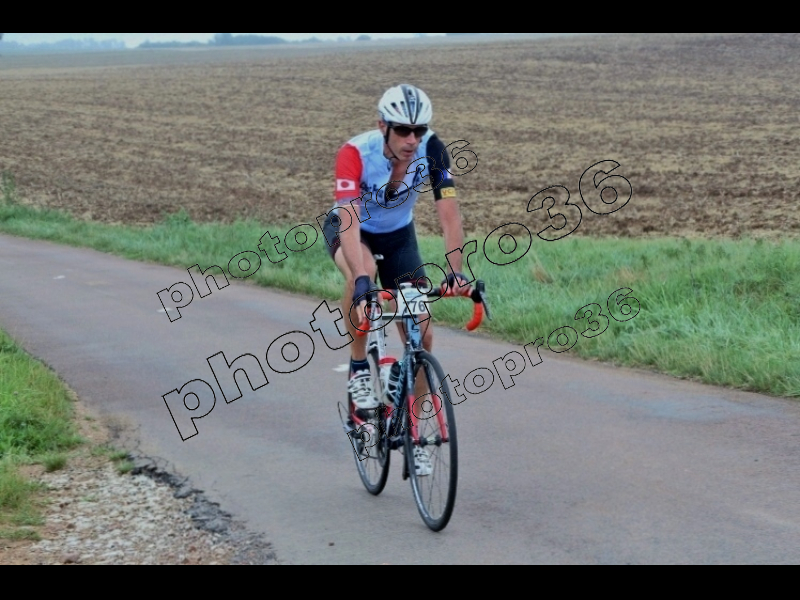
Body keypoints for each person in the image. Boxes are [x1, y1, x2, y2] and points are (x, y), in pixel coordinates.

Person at [323, 84, 471, 416]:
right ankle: (359, 368)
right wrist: (362, 280)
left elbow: (450, 217)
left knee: (423, 335)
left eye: (419, 130)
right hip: (351, 229)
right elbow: (348, 219)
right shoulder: (354, 153)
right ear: (382, 126)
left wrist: (455, 272)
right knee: (363, 275)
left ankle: (414, 429)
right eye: (403, 130)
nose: (412, 139)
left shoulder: (433, 149)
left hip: (398, 235)